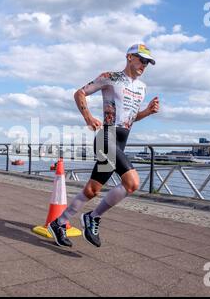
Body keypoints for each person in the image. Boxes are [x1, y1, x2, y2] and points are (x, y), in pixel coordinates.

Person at [48, 44, 160, 248]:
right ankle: (93, 217)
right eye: (141, 59)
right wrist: (88, 117)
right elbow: (79, 93)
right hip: (106, 137)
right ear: (129, 57)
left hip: (121, 140)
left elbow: (130, 119)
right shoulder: (110, 77)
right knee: (132, 183)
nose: (144, 64)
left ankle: (59, 222)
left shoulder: (142, 88)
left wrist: (147, 112)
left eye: (147, 62)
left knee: (91, 190)